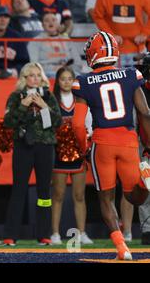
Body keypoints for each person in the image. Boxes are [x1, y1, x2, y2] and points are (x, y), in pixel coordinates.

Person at [71, 31, 150, 260]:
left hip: (102, 142)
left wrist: (83, 147)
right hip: (127, 139)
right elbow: (144, 111)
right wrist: (148, 144)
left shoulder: (83, 81)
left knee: (106, 198)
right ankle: (145, 184)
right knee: (135, 197)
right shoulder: (130, 74)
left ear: (93, 53)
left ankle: (122, 248)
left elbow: (77, 124)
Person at [2, 62, 62, 246]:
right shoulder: (15, 96)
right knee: (18, 190)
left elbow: (57, 122)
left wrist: (44, 106)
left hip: (45, 147)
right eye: (31, 75)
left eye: (38, 75)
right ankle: (10, 235)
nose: (35, 78)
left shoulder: (49, 96)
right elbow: (8, 122)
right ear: (24, 78)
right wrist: (23, 105)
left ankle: (44, 234)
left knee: (44, 192)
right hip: (23, 147)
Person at [50, 66, 94, 245]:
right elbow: (48, 125)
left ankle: (82, 233)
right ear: (58, 81)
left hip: (78, 153)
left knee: (79, 195)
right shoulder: (52, 101)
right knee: (58, 195)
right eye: (63, 79)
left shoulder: (81, 100)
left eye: (70, 78)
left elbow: (89, 126)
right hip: (58, 153)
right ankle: (54, 234)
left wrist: (87, 137)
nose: (66, 82)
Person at [92, 0, 150, 68]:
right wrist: (110, 35)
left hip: (138, 50)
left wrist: (145, 33)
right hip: (113, 49)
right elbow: (97, 16)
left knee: (139, 82)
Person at [27, 12, 83, 78]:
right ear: (42, 25)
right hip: (47, 73)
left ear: (58, 24)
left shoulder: (66, 40)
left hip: (69, 72)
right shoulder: (35, 41)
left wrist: (66, 69)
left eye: (54, 20)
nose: (50, 22)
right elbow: (34, 65)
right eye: (47, 20)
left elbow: (78, 63)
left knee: (79, 77)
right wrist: (54, 69)